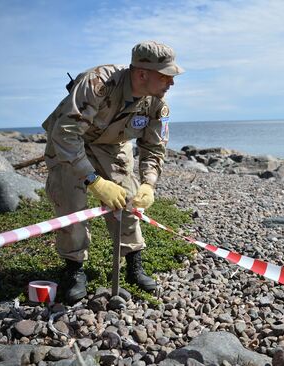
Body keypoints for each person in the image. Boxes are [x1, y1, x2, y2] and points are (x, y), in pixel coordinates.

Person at [42, 40, 184, 303]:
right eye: (166, 76)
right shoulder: (96, 83)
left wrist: (149, 184)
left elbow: (154, 147)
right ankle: (74, 269)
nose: (171, 83)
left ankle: (133, 265)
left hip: (112, 145)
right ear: (142, 74)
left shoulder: (157, 103)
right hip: (70, 143)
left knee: (129, 199)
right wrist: (94, 181)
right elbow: (66, 134)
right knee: (71, 205)